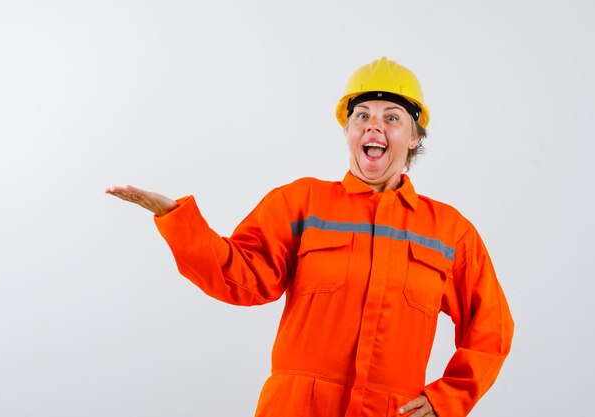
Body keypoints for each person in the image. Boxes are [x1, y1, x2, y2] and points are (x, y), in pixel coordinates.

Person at [106, 56, 514, 417]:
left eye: (392, 117)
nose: (375, 125)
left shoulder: (449, 231)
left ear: (413, 138)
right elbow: (241, 279)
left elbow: (491, 329)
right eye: (362, 116)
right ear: (348, 130)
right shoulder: (302, 203)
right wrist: (177, 219)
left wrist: (447, 400)